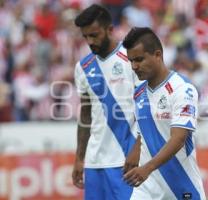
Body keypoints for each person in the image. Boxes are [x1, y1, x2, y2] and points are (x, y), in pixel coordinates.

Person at [123, 27, 206, 200]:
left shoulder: (182, 89)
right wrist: (136, 150)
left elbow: (179, 138)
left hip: (181, 186)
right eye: (131, 61)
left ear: (158, 55)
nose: (134, 66)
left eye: (139, 59)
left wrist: (147, 167)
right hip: (146, 188)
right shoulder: (139, 92)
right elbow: (146, 128)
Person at [72, 4, 141, 200]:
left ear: (110, 29)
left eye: (94, 35)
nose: (89, 41)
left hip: (125, 159)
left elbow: (146, 108)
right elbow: (85, 115)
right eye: (85, 36)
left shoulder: (131, 58)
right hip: (94, 163)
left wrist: (138, 149)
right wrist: (79, 158)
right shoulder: (83, 67)